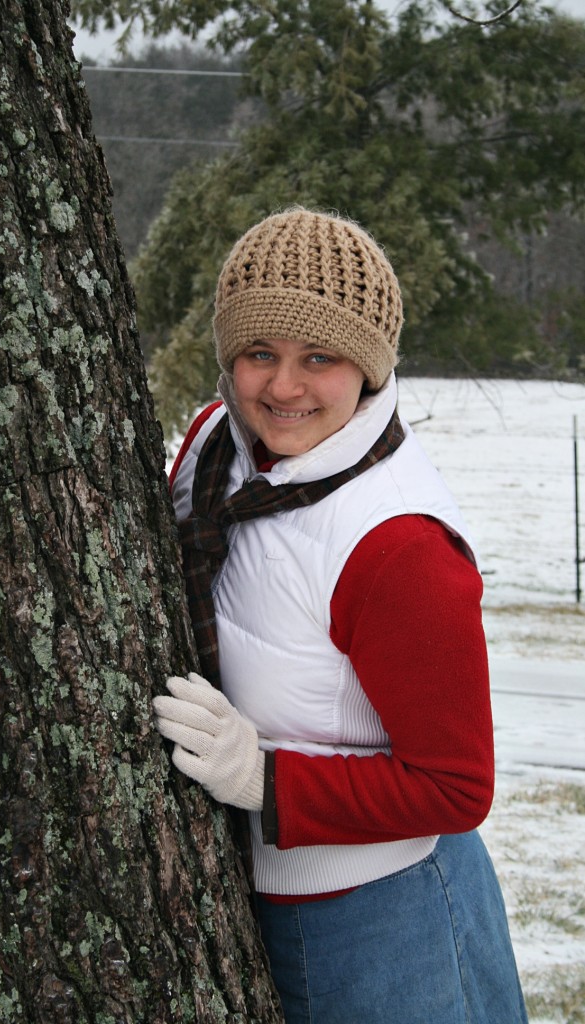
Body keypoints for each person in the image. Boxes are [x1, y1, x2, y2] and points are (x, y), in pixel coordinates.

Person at [153, 207, 528, 1024]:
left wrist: (263, 779)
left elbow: (456, 787)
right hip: (244, 885)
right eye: (260, 353)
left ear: (368, 365)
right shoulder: (216, 443)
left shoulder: (398, 545)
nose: (282, 388)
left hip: (382, 914)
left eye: (317, 357)